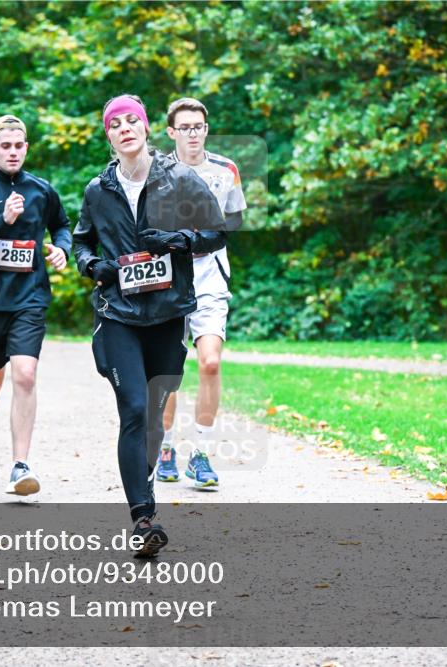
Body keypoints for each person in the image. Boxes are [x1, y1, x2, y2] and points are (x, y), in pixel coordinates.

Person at [72, 94, 226, 557]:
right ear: (109, 135)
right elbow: (82, 242)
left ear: (145, 128)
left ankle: (147, 493)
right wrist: (92, 266)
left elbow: (217, 232)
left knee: (155, 418)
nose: (124, 128)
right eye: (115, 123)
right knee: (135, 410)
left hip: (166, 313)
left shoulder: (180, 178)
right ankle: (143, 518)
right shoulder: (98, 190)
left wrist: (179, 240)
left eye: (131, 120)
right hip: (117, 314)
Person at [0, 114, 71, 495]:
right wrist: (0, 221)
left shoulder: (41, 190)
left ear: (26, 148)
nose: (13, 152)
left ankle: (21, 466)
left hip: (29, 298)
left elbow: (63, 225)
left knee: (25, 374)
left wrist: (63, 249)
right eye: (5, 146)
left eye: (19, 146)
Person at [156, 97, 247, 490]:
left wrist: (206, 231)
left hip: (210, 277)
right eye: (185, 127)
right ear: (171, 132)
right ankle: (165, 448)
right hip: (167, 279)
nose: (193, 133)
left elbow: (235, 219)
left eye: (199, 127)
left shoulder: (226, 169)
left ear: (206, 130)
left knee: (209, 363)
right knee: (168, 370)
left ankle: (201, 454)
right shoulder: (156, 171)